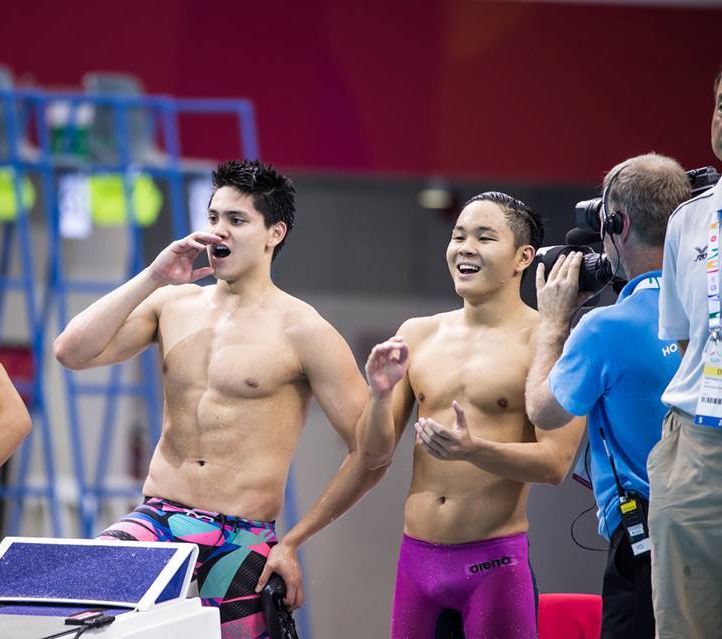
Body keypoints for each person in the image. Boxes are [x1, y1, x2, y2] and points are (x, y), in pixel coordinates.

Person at [54, 159, 384, 638]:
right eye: (212, 218)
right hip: (160, 516)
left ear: (275, 233)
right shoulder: (173, 303)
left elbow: (372, 454)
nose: (217, 231)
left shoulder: (305, 331)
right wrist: (153, 275)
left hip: (243, 536)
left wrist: (293, 542)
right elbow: (71, 352)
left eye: (236, 220)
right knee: (88, 614)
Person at [359, 192, 585, 638]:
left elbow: (556, 464)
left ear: (523, 257)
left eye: (484, 237)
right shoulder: (417, 334)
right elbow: (372, 453)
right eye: (459, 235)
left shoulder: (547, 339)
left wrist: (474, 450)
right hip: (415, 561)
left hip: (494, 563)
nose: (465, 247)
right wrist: (380, 396)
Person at [525, 154, 690, 638]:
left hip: (645, 543)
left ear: (618, 223)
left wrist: (554, 324)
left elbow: (543, 411)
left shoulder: (605, 327)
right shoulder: (707, 310)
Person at [647, 67, 722, 639]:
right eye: (720, 102)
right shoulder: (687, 220)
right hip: (697, 449)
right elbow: (681, 339)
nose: (721, 115)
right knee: (686, 624)